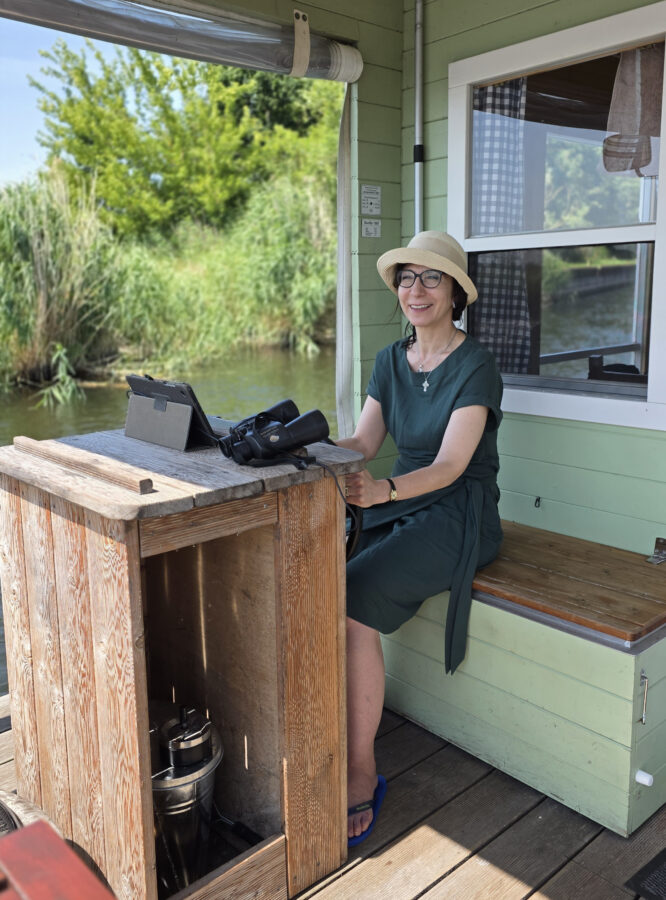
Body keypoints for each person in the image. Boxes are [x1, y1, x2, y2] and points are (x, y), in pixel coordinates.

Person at [336, 231, 503, 845]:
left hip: (459, 513)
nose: (416, 289)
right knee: (318, 559)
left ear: (456, 292)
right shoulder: (390, 359)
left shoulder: (476, 364)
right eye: (406, 278)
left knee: (353, 597)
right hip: (404, 501)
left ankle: (360, 766)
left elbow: (453, 464)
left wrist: (383, 492)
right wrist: (299, 445)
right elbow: (364, 444)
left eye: (431, 278)